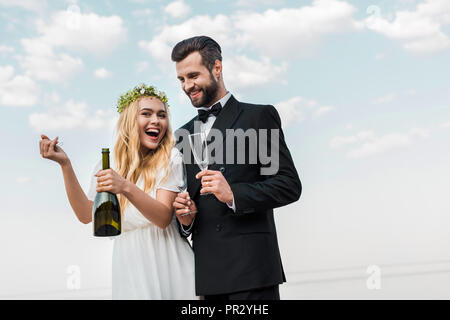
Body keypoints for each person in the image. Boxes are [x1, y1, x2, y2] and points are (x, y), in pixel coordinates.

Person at [172, 36, 302, 300]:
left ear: (217, 68)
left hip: (253, 272)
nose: (187, 86)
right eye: (182, 79)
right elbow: (187, 204)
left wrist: (233, 194)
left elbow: (288, 184)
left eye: (193, 75)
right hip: (207, 277)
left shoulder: (258, 116)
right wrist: (185, 219)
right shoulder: (182, 134)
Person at [39, 84, 199, 300]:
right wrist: (65, 165)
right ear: (130, 121)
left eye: (162, 115)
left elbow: (162, 217)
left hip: (169, 260)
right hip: (129, 263)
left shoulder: (170, 158)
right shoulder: (110, 163)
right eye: (146, 114)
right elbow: (86, 215)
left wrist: (125, 186)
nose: (156, 121)